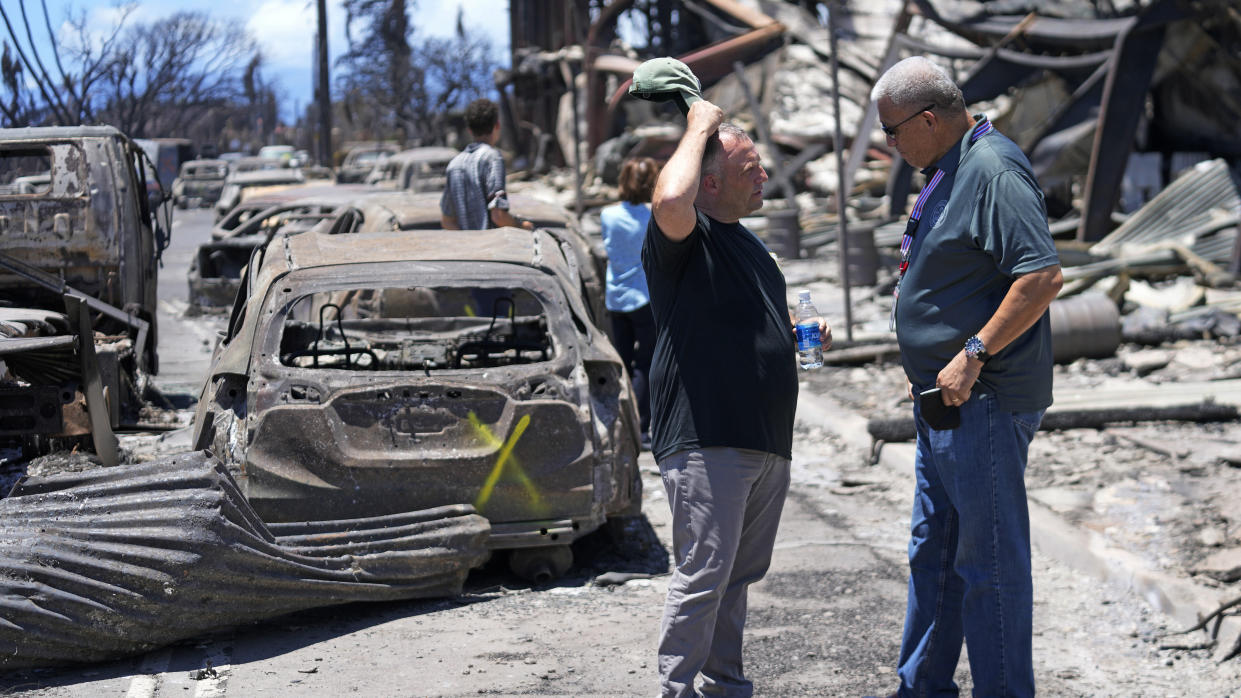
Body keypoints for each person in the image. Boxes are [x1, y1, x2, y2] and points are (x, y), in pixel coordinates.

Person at [873, 56, 1063, 697]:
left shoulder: (993, 169)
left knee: (988, 568)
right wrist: (929, 361)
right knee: (935, 554)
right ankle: (922, 686)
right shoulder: (948, 168)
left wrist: (973, 351)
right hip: (944, 400)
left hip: (982, 398)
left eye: (892, 132)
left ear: (928, 119)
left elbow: (1040, 276)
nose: (889, 146)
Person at [643, 99, 830, 698]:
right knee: (704, 575)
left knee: (737, 577)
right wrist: (698, 124)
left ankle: (724, 687)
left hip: (764, 439)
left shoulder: (748, 245)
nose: (765, 178)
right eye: (751, 169)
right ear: (711, 181)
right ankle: (674, 691)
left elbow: (760, 327)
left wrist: (807, 332)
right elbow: (670, 199)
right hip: (708, 435)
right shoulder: (686, 238)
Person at [600, 156, 660, 448]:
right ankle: (641, 427)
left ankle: (617, 421)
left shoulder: (607, 215)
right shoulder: (654, 215)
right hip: (644, 298)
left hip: (616, 297)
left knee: (621, 362)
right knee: (645, 365)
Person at [440, 98, 533, 231]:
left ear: (470, 130)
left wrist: (469, 241)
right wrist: (522, 226)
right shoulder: (493, 158)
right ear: (497, 126)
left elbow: (447, 221)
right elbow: (498, 216)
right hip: (492, 247)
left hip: (467, 249)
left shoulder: (454, 164)